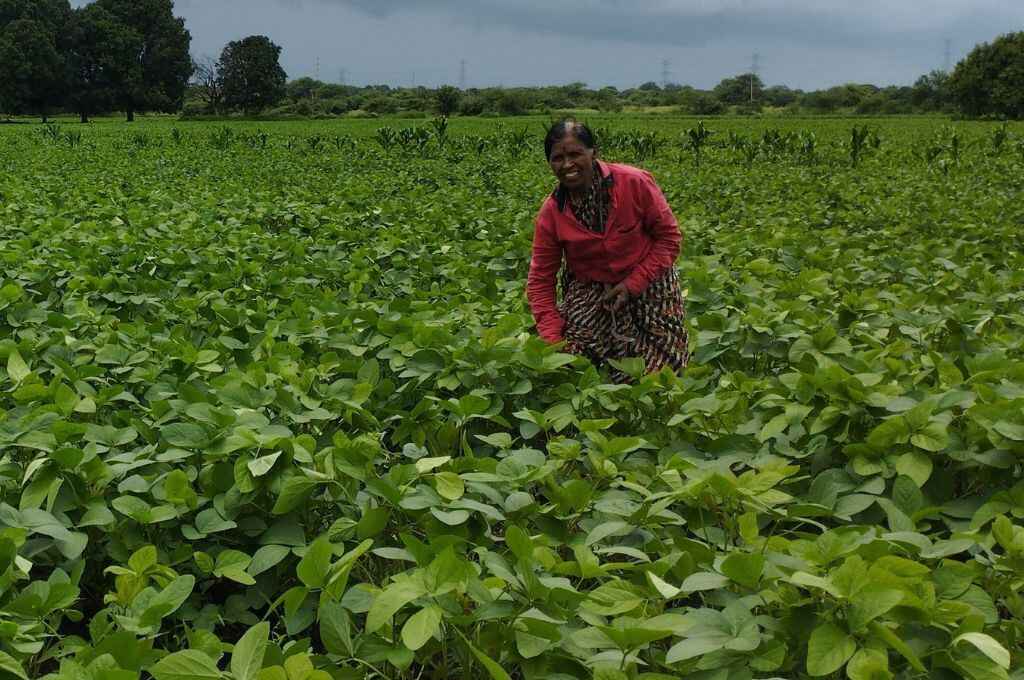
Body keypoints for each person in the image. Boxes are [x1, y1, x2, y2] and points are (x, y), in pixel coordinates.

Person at [526, 120, 688, 380]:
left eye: (575, 154)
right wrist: (552, 339)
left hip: (649, 278)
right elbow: (540, 280)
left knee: (661, 374)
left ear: (593, 152)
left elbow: (668, 239)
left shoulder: (634, 183)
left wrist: (633, 284)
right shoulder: (552, 213)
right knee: (570, 363)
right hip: (592, 288)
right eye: (558, 158)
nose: (567, 165)